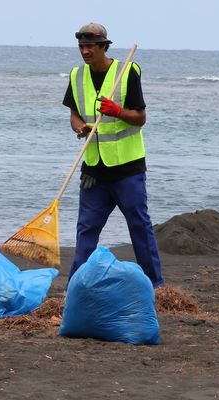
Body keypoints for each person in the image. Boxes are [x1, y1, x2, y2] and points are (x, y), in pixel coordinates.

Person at [62, 22, 164, 288]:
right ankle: (76, 287)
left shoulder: (127, 71)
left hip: (127, 169)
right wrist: (79, 127)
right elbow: (73, 113)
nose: (85, 51)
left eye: (90, 46)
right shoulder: (76, 76)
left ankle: (156, 286)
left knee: (139, 227)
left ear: (103, 47)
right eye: (81, 46)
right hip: (94, 169)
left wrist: (117, 111)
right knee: (86, 230)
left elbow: (140, 118)